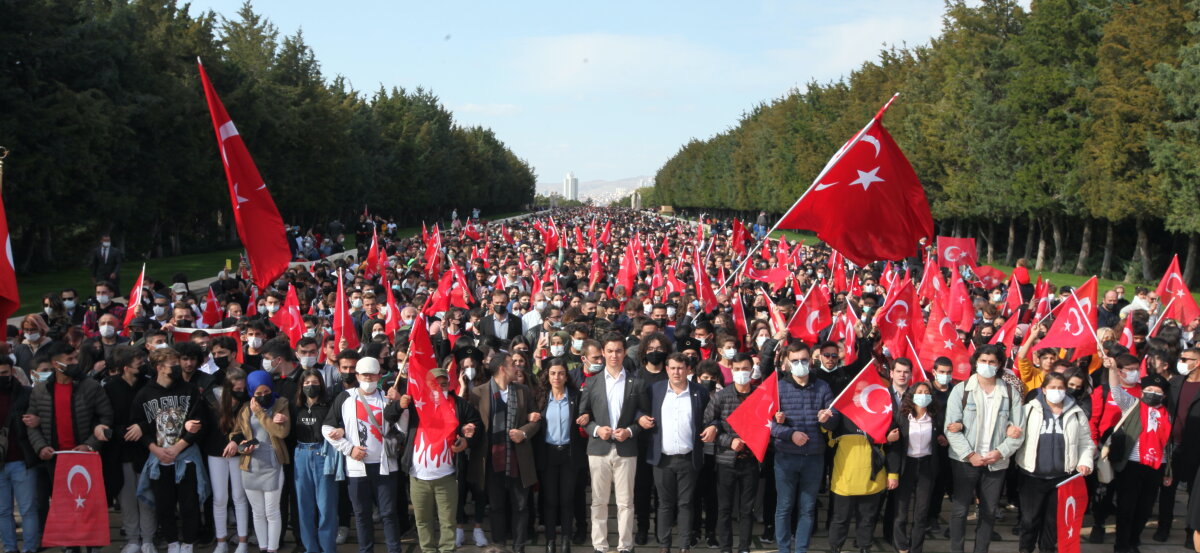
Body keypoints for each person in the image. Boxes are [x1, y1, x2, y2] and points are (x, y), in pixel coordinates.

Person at [390, 366, 481, 553]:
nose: (440, 388)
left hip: (447, 477)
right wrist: (398, 404)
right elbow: (389, 416)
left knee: (448, 522)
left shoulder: (458, 404)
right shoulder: (416, 404)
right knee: (422, 521)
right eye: (435, 384)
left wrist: (467, 438)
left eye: (444, 384)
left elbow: (476, 425)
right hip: (418, 477)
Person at [943, 345, 1025, 553]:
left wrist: (1000, 452)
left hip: (995, 463)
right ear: (975, 362)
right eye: (983, 361)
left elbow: (1018, 430)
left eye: (992, 362)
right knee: (960, 510)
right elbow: (951, 428)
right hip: (965, 461)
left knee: (988, 511)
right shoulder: (961, 390)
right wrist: (970, 455)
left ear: (998, 365)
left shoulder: (1009, 392)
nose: (987, 365)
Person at [130, 347, 208, 553]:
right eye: (172, 364)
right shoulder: (144, 394)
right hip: (159, 457)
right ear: (159, 367)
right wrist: (155, 449)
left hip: (186, 455)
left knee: (189, 504)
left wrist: (179, 446)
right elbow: (139, 426)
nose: (178, 367)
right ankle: (172, 542)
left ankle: (189, 542)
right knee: (165, 505)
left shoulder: (189, 389)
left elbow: (199, 423)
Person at [322, 357, 403, 553]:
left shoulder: (387, 398)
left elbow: (403, 428)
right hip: (357, 468)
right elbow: (326, 428)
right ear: (357, 376)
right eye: (364, 375)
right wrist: (349, 448)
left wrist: (400, 403)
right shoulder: (345, 398)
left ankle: (394, 550)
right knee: (361, 514)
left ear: (379, 375)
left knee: (389, 513)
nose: (368, 378)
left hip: (385, 467)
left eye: (372, 374)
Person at [638, 352, 712, 553]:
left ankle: (684, 546)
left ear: (688, 369)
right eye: (672, 368)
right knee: (664, 504)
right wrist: (640, 419)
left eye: (680, 368)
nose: (676, 372)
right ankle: (664, 546)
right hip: (662, 459)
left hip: (689, 459)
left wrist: (713, 426)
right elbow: (639, 410)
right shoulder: (655, 390)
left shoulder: (699, 392)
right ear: (666, 369)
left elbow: (711, 416)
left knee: (686, 504)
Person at [1013, 372, 1095, 553]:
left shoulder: (1076, 412)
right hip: (1032, 475)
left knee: (1053, 522)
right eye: (1052, 388)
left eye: (1060, 388)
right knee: (1029, 520)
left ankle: (1047, 549)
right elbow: (1014, 436)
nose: (1056, 391)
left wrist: (1085, 461)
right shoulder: (1029, 410)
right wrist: (1010, 431)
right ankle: (1025, 549)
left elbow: (1086, 442)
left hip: (1062, 479)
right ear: (1043, 389)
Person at [579, 333, 644, 553]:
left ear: (624, 352)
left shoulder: (637, 381)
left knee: (626, 502)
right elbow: (583, 416)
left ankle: (626, 546)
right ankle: (600, 545)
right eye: (609, 351)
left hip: (626, 449)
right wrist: (597, 430)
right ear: (603, 353)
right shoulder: (592, 381)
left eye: (618, 350)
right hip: (598, 449)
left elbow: (644, 416)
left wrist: (630, 431)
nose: (614, 355)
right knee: (599, 501)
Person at [468, 354, 540, 552]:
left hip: (518, 459)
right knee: (497, 507)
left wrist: (523, 432)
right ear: (501, 368)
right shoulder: (478, 393)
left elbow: (536, 420)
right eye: (511, 364)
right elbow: (472, 423)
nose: (517, 367)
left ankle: (519, 548)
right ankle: (499, 547)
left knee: (521, 507)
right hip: (491, 460)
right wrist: (468, 430)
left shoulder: (523, 391)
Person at [770, 342, 832, 553]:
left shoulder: (822, 386)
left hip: (814, 457)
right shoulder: (778, 387)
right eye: (795, 361)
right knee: (784, 507)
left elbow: (834, 418)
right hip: (786, 457)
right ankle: (784, 549)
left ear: (811, 361)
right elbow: (767, 424)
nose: (800, 364)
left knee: (807, 508)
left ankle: (801, 549)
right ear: (787, 363)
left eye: (803, 360)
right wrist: (790, 433)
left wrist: (827, 419)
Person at [1108, 370, 1173, 553]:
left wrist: (1168, 471)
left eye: (1158, 391)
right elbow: (1116, 391)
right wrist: (1112, 369)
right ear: (1142, 391)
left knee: (1145, 508)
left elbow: (1168, 445)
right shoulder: (1132, 404)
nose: (1153, 393)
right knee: (1126, 507)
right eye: (1150, 389)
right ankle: (1121, 545)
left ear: (1164, 395)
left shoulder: (1167, 414)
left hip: (1156, 466)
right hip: (1131, 464)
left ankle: (1134, 541)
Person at [101, 346, 154, 553]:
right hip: (121, 450)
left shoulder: (148, 384)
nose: (141, 363)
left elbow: (155, 413)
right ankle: (133, 539)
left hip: (146, 448)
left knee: (147, 496)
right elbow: (105, 417)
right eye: (137, 360)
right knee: (127, 496)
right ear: (125, 366)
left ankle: (148, 538)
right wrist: (122, 431)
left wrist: (142, 427)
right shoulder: (110, 388)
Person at [234, 370, 290, 553]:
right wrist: (240, 444)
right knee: (257, 513)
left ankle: (272, 549)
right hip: (250, 465)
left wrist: (260, 414)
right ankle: (263, 547)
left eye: (266, 392)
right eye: (258, 394)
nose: (263, 396)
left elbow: (280, 432)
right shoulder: (244, 409)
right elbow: (235, 433)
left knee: (272, 512)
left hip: (272, 463)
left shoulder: (280, 404)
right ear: (251, 393)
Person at [536, 358, 585, 553]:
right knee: (550, 499)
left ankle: (565, 540)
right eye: (553, 373)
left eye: (561, 373)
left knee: (567, 499)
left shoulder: (575, 396)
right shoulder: (540, 396)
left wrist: (587, 416)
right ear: (547, 376)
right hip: (548, 454)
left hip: (569, 454)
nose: (557, 377)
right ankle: (550, 541)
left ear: (566, 376)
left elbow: (585, 415)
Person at [889, 381, 942, 553]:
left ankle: (916, 547)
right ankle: (902, 546)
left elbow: (940, 438)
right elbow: (895, 447)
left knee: (921, 512)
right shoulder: (902, 417)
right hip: (907, 466)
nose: (923, 394)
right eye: (920, 391)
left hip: (926, 465)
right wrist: (893, 472)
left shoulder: (934, 418)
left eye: (927, 392)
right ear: (912, 395)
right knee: (901, 511)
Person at [205, 368, 251, 553]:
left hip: (238, 453)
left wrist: (236, 442)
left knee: (239, 497)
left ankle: (242, 542)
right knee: (219, 498)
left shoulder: (247, 403)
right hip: (215, 454)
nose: (240, 392)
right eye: (236, 389)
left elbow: (249, 431)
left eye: (242, 388)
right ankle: (221, 541)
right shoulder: (212, 401)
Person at [292, 369, 337, 553]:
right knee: (304, 506)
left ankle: (327, 548)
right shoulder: (295, 406)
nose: (311, 386)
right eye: (307, 383)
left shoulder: (329, 405)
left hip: (323, 454)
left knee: (326, 506)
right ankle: (310, 548)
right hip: (301, 454)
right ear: (301, 386)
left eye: (315, 382)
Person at [1162, 347, 1200, 545]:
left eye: (1186, 359)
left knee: (1194, 494)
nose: (1182, 361)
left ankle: (1191, 532)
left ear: (1198, 362)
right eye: (1181, 358)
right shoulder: (1175, 382)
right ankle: (1163, 527)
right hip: (1172, 445)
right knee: (1167, 488)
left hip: (1195, 448)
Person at [0, 356, 38, 553]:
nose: (1, 377)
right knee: (3, 511)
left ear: (13, 372)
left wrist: (36, 421)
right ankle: (9, 548)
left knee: (28, 510)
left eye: (4, 373)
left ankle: (30, 548)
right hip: (2, 463)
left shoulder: (26, 394)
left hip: (22, 460)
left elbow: (38, 419)